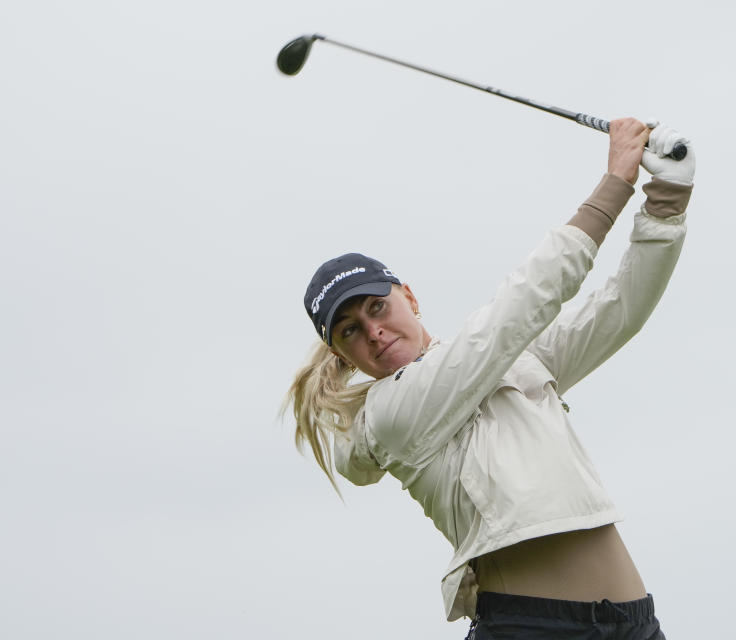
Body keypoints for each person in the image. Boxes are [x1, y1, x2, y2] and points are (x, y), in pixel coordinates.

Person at [285, 118, 695, 639]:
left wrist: (665, 202)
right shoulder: (388, 416)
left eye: (377, 307)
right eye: (350, 330)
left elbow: (622, 308)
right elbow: (515, 310)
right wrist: (614, 184)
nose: (373, 330)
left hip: (636, 625)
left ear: (408, 296)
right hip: (530, 629)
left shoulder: (512, 360)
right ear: (342, 355)